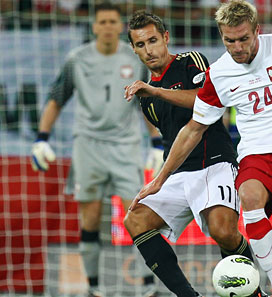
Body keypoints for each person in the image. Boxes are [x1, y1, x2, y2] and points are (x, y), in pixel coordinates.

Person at [132, 1, 272, 296]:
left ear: (257, 30)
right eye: (230, 41)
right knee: (250, 198)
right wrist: (159, 179)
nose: (238, 47)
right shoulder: (219, 74)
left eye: (243, 39)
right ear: (222, 36)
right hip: (257, 155)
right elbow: (194, 128)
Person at [123, 11, 268, 297]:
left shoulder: (191, 61)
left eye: (153, 40)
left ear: (166, 38)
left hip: (215, 163)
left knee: (224, 231)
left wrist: (157, 91)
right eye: (140, 45)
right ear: (134, 49)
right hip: (178, 171)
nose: (149, 50)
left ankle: (254, 294)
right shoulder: (146, 99)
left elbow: (205, 100)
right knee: (135, 219)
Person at [30, 3, 162, 297]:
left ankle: (148, 285)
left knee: (137, 214)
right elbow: (56, 99)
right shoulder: (77, 59)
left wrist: (155, 142)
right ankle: (93, 287)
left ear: (120, 27)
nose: (106, 26)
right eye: (101, 21)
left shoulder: (134, 57)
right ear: (94, 26)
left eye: (112, 22)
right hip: (87, 147)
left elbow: (146, 102)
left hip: (125, 147)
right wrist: (41, 138)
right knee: (90, 218)